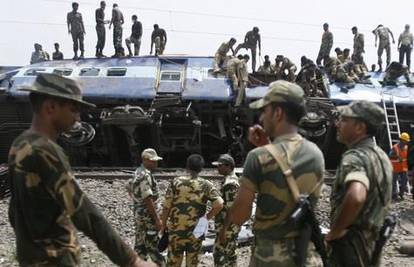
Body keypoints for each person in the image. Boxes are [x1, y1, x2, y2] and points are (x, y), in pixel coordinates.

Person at [8, 73, 156, 267]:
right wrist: (132, 260)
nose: (77, 117)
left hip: (31, 255)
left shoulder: (20, 144)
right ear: (50, 107)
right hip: (53, 258)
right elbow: (83, 211)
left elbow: (14, 210)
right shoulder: (46, 151)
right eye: (73, 109)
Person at [226, 80, 325, 266]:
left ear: (278, 113)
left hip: (269, 257)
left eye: (265, 111)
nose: (261, 118)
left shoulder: (258, 157)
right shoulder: (316, 154)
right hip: (305, 255)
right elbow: (286, 161)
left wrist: (259, 153)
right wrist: (268, 147)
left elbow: (239, 215)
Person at [327, 100, 393, 267]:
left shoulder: (355, 157)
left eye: (344, 120)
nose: (337, 124)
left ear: (359, 127)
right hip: (371, 245)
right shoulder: (382, 156)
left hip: (350, 248)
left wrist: (335, 231)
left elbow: (356, 196)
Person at [161, 154, 224, 267]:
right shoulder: (206, 185)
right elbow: (219, 204)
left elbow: (166, 207)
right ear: (201, 169)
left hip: (176, 230)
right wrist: (205, 219)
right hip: (197, 230)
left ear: (187, 167)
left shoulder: (176, 182)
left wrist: (163, 225)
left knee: (173, 263)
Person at [127, 148, 166, 266]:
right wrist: (157, 220)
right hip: (147, 217)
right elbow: (148, 199)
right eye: (153, 161)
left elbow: (128, 186)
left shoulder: (138, 171)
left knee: (140, 246)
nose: (156, 163)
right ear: (145, 160)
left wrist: (136, 200)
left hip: (140, 215)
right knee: (154, 246)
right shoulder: (145, 175)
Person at [212, 154, 240, 267]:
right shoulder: (232, 179)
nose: (217, 168)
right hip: (231, 226)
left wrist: (224, 230)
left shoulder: (230, 184)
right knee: (230, 255)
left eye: (220, 165)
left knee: (219, 255)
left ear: (228, 166)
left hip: (227, 226)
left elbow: (231, 209)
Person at [390, 132, 410, 200]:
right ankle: (394, 195)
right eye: (406, 141)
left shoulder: (406, 147)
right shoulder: (395, 148)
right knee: (394, 181)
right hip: (395, 167)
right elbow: (389, 155)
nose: (407, 142)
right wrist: (397, 157)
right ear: (402, 140)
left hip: (403, 167)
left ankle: (401, 194)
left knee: (405, 180)